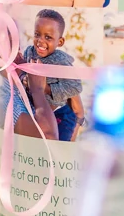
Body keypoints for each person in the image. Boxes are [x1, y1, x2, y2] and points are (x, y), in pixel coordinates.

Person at [20, 9, 85, 142]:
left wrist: (47, 88)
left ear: (60, 42)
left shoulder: (60, 61)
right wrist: (24, 79)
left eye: (48, 37)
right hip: (36, 110)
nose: (40, 41)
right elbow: (22, 72)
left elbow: (75, 87)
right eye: (37, 34)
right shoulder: (29, 52)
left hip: (61, 114)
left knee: (58, 146)